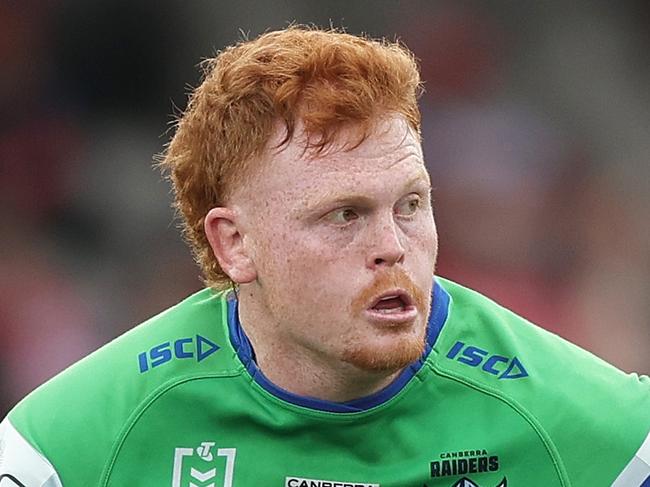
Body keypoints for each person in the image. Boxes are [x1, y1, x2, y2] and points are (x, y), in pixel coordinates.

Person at [0, 26, 648, 487]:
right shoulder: (65, 448)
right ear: (235, 243)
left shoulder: (602, 433)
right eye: (345, 215)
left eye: (412, 204)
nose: (393, 246)